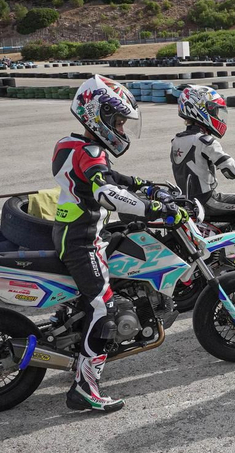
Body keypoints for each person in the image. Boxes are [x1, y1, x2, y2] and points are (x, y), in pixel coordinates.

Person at [53, 75, 179, 413]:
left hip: (70, 231)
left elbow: (110, 177)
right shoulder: (91, 152)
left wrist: (145, 184)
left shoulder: (71, 144)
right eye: (119, 121)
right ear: (98, 115)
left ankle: (79, 358)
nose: (122, 128)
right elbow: (106, 192)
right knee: (102, 307)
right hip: (81, 239)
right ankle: (85, 386)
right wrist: (156, 209)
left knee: (102, 294)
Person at [170, 85, 235, 224]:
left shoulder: (176, 141)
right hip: (208, 202)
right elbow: (232, 171)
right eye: (214, 110)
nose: (218, 115)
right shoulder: (204, 141)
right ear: (201, 109)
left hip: (187, 202)